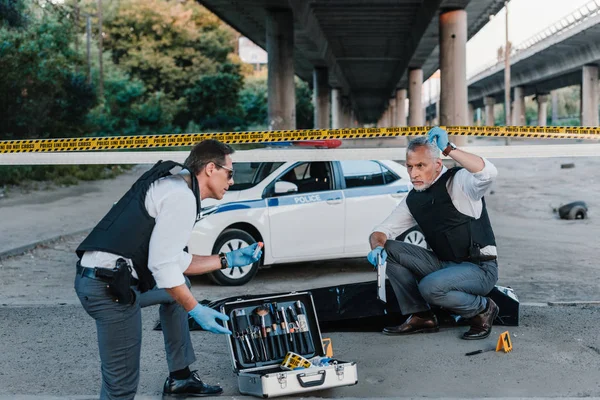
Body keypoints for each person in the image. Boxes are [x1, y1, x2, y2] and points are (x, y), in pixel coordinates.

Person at [74, 139, 262, 399]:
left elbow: (175, 261)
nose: (231, 181)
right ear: (210, 169)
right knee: (121, 387)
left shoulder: (176, 186)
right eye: (229, 173)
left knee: (179, 287)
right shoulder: (181, 197)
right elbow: (161, 266)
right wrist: (195, 309)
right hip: (109, 291)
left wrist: (227, 260)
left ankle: (180, 377)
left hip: (104, 279)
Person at [368, 127, 499, 340]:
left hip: (480, 269)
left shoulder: (460, 183)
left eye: (421, 166)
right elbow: (381, 231)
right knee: (389, 249)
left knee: (430, 287)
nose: (413, 174)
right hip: (444, 265)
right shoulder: (414, 199)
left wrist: (448, 148)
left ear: (438, 165)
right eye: (410, 166)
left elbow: (489, 173)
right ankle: (421, 316)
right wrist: (377, 247)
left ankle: (482, 309)